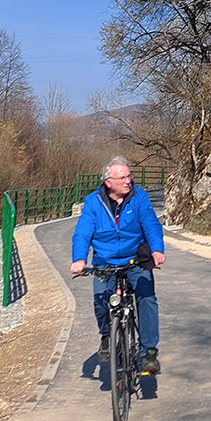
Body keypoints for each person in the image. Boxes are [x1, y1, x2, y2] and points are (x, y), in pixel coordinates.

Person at [71, 156, 166, 374]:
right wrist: (79, 259)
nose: (127, 181)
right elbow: (83, 232)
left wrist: (157, 249)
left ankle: (149, 352)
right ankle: (106, 336)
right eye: (122, 178)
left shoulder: (139, 198)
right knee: (100, 301)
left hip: (135, 260)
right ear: (108, 182)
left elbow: (151, 224)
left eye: (129, 176)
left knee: (147, 299)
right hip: (105, 262)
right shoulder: (93, 202)